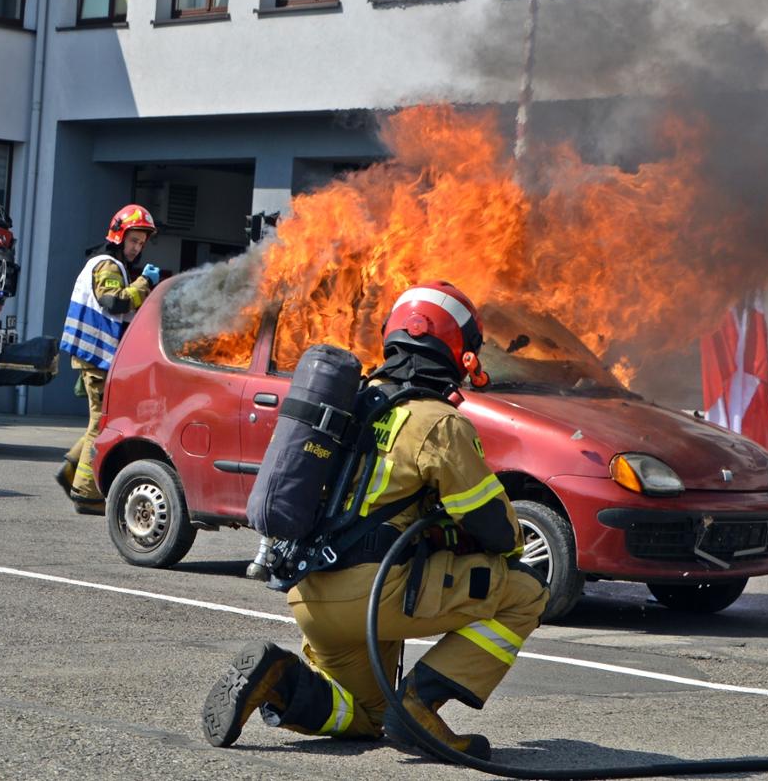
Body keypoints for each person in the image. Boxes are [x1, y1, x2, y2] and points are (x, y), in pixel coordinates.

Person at [201, 282, 547, 759]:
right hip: (378, 595)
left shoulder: (351, 407)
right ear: (461, 356)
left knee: (365, 717)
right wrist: (504, 553)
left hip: (312, 598)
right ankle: (420, 706)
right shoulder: (436, 422)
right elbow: (492, 524)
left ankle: (280, 679)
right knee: (526, 592)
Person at [56, 204, 161, 513]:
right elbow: (113, 302)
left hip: (96, 357)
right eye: (133, 241)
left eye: (141, 243)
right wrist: (145, 283)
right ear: (119, 236)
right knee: (101, 425)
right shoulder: (108, 266)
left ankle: (71, 473)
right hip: (98, 357)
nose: (137, 247)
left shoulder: (109, 264)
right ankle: (86, 494)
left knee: (99, 421)